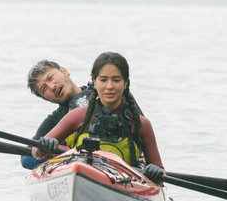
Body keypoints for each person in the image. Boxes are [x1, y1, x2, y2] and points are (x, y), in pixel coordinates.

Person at [32, 52, 165, 182]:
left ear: (125, 83)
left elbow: (160, 170)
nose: (109, 86)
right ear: (94, 82)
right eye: (103, 80)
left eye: (116, 80)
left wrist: (155, 171)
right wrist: (43, 147)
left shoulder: (141, 124)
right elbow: (35, 151)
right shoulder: (76, 116)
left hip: (124, 180)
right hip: (82, 171)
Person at [21, 60, 91, 169]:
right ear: (47, 99)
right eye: (44, 89)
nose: (52, 87)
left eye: (50, 78)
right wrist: (51, 151)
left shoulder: (102, 93)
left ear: (64, 70)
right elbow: (26, 159)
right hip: (82, 166)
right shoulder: (54, 121)